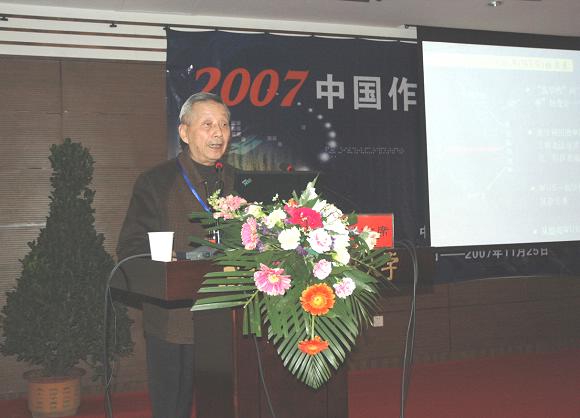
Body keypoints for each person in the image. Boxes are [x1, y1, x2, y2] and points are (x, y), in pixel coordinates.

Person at [117, 92, 236, 418]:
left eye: (224, 124)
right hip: (174, 323)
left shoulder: (236, 180)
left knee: (226, 406)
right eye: (207, 124)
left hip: (227, 321)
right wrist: (166, 260)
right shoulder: (156, 182)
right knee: (172, 409)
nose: (218, 132)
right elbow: (130, 248)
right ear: (184, 132)